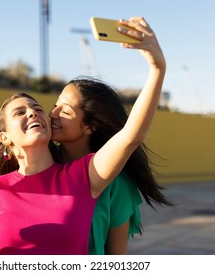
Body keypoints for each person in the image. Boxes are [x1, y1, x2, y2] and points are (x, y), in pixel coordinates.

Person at [0, 16, 166, 255]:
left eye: (37, 109)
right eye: (20, 112)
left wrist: (157, 69)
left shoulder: (82, 176)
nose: (36, 114)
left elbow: (130, 135)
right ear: (5, 138)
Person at [49, 77, 172, 255]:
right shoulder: (38, 164)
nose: (53, 113)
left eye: (65, 112)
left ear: (90, 127)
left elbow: (117, 256)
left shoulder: (116, 185)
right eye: (55, 105)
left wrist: (157, 69)